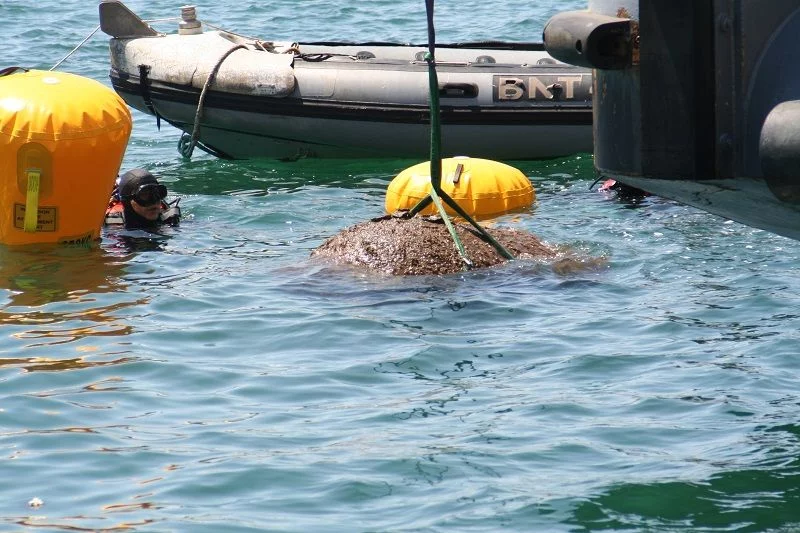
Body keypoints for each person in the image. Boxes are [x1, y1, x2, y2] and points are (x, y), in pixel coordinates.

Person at [105, 168, 181, 229]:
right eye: (144, 195)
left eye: (157, 194)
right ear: (127, 202)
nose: (154, 201)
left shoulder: (168, 218)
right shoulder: (114, 226)